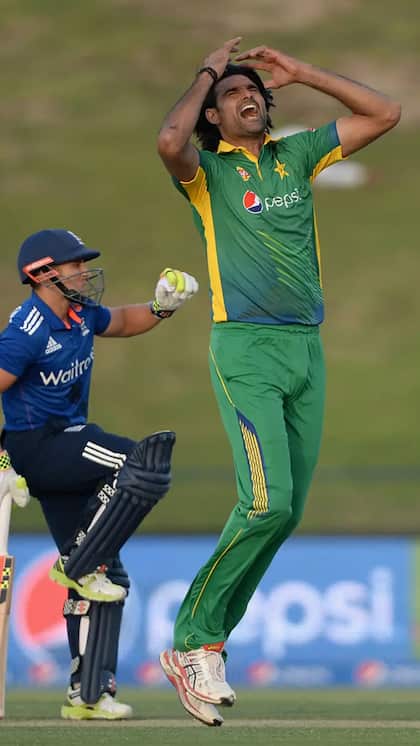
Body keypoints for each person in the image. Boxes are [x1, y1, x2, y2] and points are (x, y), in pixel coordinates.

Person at [156, 38, 401, 726]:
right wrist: (207, 70)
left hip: (305, 350)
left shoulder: (296, 155)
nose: (248, 96)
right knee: (264, 502)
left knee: (286, 511)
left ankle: (209, 644)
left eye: (254, 90)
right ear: (213, 115)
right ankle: (191, 642)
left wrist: (303, 73)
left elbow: (385, 113)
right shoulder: (206, 171)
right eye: (231, 94)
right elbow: (169, 140)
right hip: (246, 348)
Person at [0, 228, 198, 720]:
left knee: (108, 574)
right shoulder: (27, 330)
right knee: (140, 461)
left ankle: (88, 693)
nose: (85, 272)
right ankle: (78, 560)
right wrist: (2, 459)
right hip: (37, 447)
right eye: (75, 265)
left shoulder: (80, 313)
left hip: (67, 446)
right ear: (42, 274)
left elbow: (124, 321)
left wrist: (161, 307)